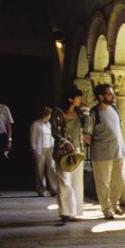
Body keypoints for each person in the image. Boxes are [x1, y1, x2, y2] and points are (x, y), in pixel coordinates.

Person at [84, 83, 125, 220]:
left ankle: (115, 203)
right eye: (109, 94)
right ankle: (106, 208)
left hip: (118, 151)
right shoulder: (94, 112)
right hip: (102, 154)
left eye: (112, 93)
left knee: (120, 180)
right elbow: (86, 135)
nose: (113, 96)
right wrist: (100, 145)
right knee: (103, 183)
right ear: (101, 97)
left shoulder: (114, 109)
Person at [51, 87, 87, 224]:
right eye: (78, 97)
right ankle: (66, 212)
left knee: (77, 181)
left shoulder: (81, 113)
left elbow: (87, 127)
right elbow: (55, 131)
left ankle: (75, 212)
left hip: (78, 150)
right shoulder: (58, 113)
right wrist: (65, 142)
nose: (80, 100)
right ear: (70, 99)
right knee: (64, 180)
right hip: (63, 151)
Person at [30, 106, 58, 197]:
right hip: (40, 149)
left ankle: (54, 189)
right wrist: (34, 149)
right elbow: (33, 138)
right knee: (40, 170)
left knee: (51, 168)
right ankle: (41, 189)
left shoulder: (48, 124)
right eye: (49, 114)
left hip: (50, 148)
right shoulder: (36, 124)